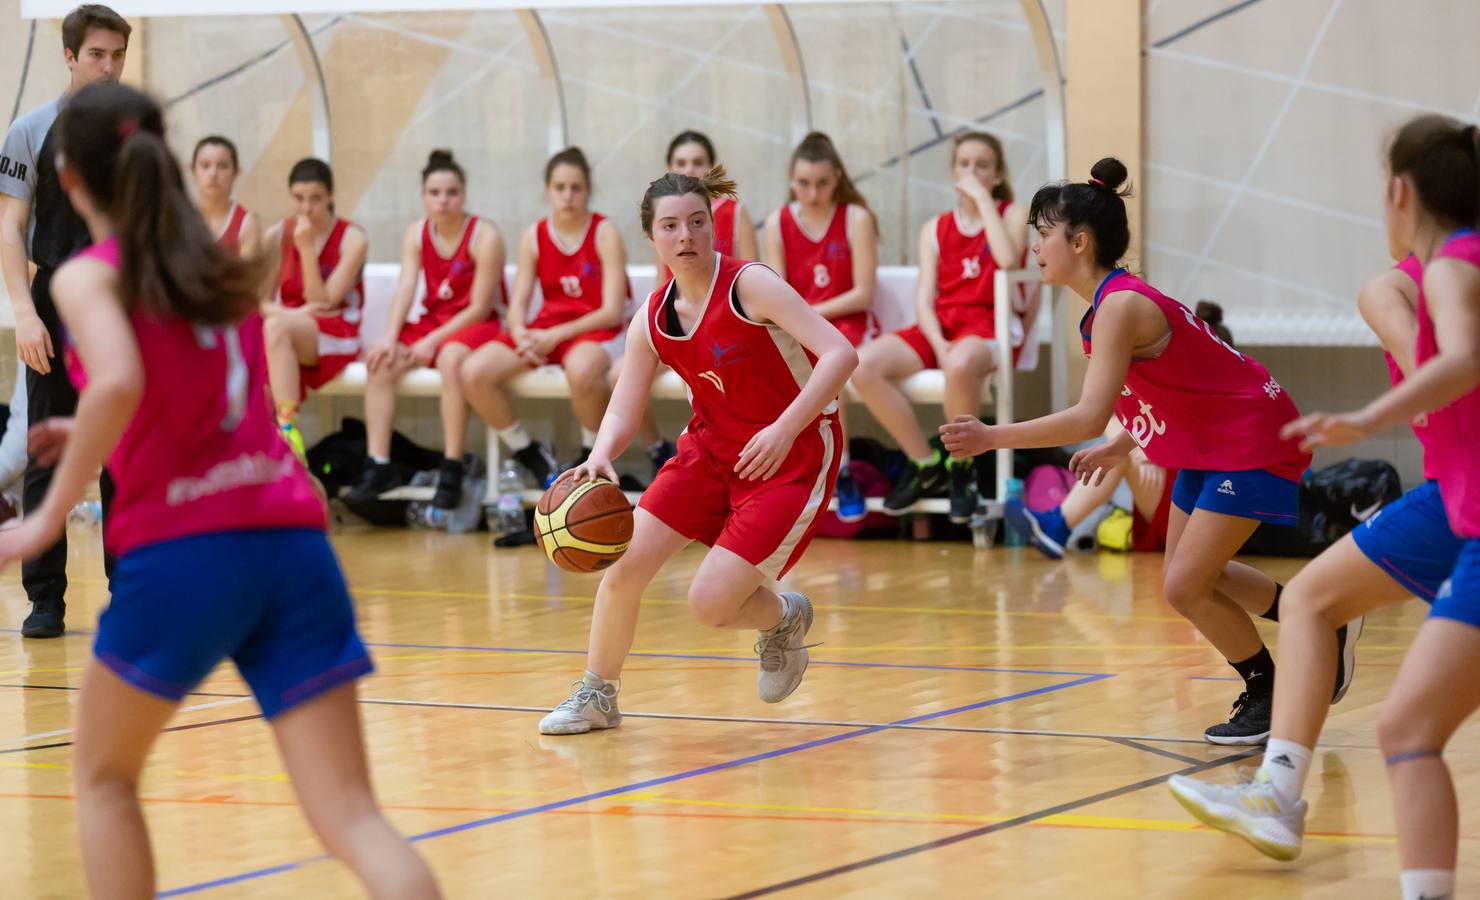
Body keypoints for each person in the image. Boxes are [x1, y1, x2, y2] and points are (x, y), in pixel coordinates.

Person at [0, 81, 440, 900]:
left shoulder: (88, 275)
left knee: (100, 778)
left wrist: (44, 519)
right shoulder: (218, 265)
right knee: (351, 814)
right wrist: (105, 431)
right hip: (292, 540)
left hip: (186, 551)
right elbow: (182, 393)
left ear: (69, 178)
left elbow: (121, 378)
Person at [939, 158, 1360, 744]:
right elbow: (1173, 388)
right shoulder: (1106, 307)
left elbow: (1086, 413)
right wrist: (1118, 444)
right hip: (1212, 440)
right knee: (1187, 580)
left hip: (1251, 438)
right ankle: (1321, 620)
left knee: (1187, 584)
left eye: (1042, 233)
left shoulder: (1119, 306)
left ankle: (1267, 687)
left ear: (1078, 242)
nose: (1034, 245)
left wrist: (991, 437)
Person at [1170, 116, 1480, 900]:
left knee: (1408, 731)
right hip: (1452, 501)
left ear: (1399, 191)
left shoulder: (1443, 270)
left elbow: (1459, 363)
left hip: (1469, 509)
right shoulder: (1431, 272)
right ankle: (1276, 793)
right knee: (1310, 598)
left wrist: (1369, 419)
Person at [537, 167, 857, 735]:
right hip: (710, 452)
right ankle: (597, 696)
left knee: (709, 604)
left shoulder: (750, 286)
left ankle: (783, 620)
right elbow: (623, 404)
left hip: (792, 455)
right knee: (624, 568)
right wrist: (601, 453)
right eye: (670, 225)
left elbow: (839, 355)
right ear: (652, 237)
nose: (685, 235)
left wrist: (783, 429)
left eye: (696, 222)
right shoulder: (653, 320)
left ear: (713, 227)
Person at [0, 3, 130, 638]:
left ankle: (131, 592)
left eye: (118, 55)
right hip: (53, 298)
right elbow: (9, 226)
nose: (109, 67)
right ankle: (45, 597)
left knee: (128, 450)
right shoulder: (30, 130)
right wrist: (23, 311)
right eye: (97, 54)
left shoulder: (138, 131)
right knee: (50, 448)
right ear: (71, 56)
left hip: (123, 297)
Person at [851, 131, 1027, 522]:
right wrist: (936, 341)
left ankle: (961, 468)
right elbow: (924, 300)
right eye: (964, 164)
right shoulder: (934, 228)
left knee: (961, 364)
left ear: (998, 174)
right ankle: (926, 462)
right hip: (942, 324)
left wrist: (982, 200)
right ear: (952, 171)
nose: (972, 172)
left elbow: (1007, 260)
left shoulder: (1011, 213)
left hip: (988, 326)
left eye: (982, 165)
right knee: (862, 365)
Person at [1006, 303, 1233, 558]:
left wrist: (1150, 450)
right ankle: (1057, 524)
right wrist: (1140, 447)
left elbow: (1200, 449)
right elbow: (1115, 420)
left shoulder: (1224, 399)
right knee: (1115, 452)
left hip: (1203, 509)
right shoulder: (1173, 387)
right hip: (1168, 494)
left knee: (1119, 455)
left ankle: (1057, 525)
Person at [460, 147, 628, 487]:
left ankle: (591, 456)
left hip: (595, 329)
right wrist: (520, 330)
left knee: (582, 372)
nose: (567, 196)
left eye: (576, 187)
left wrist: (558, 335)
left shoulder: (605, 232)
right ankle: (529, 453)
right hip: (548, 328)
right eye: (560, 187)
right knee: (473, 372)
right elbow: (519, 303)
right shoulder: (533, 235)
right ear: (547, 190)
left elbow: (611, 309)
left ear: (588, 190)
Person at [347, 149, 506, 509]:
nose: (443, 200)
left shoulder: (485, 234)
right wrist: (390, 335)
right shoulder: (416, 233)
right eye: (435, 193)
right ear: (424, 197)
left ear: (463, 194)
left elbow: (480, 306)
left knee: (451, 360)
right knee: (380, 362)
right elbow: (406, 288)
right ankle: (379, 464)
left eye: (451, 192)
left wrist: (432, 343)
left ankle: (452, 465)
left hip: (477, 325)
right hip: (435, 322)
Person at [620, 130, 761, 479]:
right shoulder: (663, 221)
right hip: (684, 331)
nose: (690, 169)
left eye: (698, 162)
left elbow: (755, 277)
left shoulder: (734, 212)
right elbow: (663, 287)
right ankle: (658, 451)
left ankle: (728, 463)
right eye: (682, 163)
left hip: (730, 332)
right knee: (617, 377)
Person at [763, 132, 877, 522]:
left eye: (822, 183)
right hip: (800, 327)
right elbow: (773, 292)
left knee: (829, 366)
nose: (812, 193)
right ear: (791, 181)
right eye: (804, 184)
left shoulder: (856, 217)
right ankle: (789, 476)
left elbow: (863, 294)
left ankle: (841, 473)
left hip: (848, 325)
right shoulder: (777, 224)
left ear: (838, 178)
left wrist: (809, 314)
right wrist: (802, 320)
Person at [261, 158, 368, 462]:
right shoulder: (277, 234)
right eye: (299, 199)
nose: (306, 208)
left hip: (337, 332)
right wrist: (294, 315)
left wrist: (306, 249)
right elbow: (258, 301)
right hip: (290, 328)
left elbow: (323, 302)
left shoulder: (353, 238)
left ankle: (287, 430)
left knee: (273, 329)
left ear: (331, 196)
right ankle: (265, 444)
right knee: (256, 340)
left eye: (316, 199)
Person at [190, 134, 260, 256]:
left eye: (222, 166)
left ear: (236, 173)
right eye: (205, 166)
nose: (213, 174)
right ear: (193, 171)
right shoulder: (178, 219)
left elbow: (247, 274)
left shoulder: (247, 223)